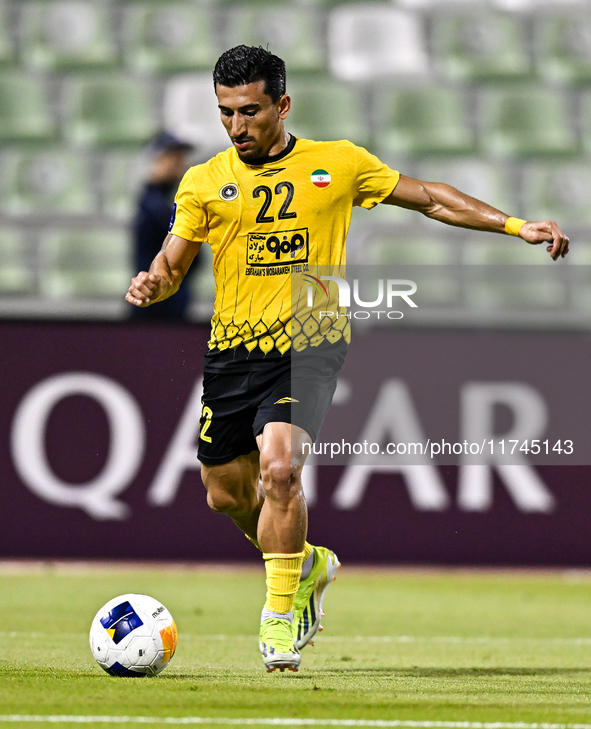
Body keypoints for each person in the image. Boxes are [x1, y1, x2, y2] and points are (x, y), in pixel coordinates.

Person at [126, 45, 569, 673]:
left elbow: (431, 198)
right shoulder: (203, 181)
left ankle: (281, 618)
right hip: (232, 349)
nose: (237, 126)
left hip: (309, 337)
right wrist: (154, 282)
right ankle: (304, 563)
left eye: (250, 111)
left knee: (280, 469)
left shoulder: (337, 163)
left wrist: (514, 225)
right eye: (226, 113)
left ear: (282, 105)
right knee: (225, 496)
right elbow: (173, 263)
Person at [129, 132, 197, 321]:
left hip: (168, 302)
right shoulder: (153, 205)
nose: (178, 165)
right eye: (172, 157)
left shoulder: (162, 203)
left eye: (180, 159)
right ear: (155, 160)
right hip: (156, 309)